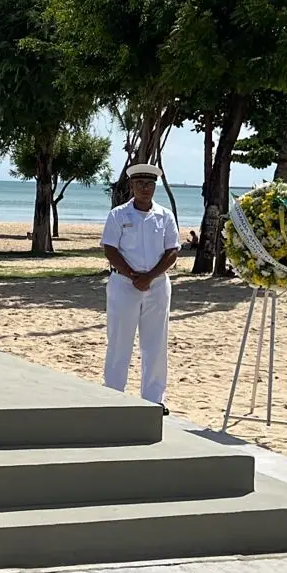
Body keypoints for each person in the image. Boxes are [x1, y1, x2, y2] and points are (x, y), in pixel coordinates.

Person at [99, 163, 180, 415]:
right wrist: (133, 275)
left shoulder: (165, 216)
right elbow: (110, 249)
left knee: (155, 343)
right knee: (119, 341)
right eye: (140, 184)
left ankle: (154, 399)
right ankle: (113, 395)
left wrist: (150, 277)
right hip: (124, 284)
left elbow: (173, 250)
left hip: (156, 286)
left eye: (150, 184)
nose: (145, 189)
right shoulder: (118, 215)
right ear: (132, 186)